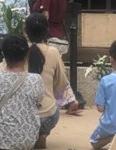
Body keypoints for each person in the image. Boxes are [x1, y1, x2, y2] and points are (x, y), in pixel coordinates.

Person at [0, 34, 44, 150]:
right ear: (27, 54)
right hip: (26, 141)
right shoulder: (36, 80)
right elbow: (38, 102)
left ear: (3, 54)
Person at [23, 13, 78, 149]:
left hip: (22, 117)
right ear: (47, 30)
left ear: (25, 31)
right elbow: (62, 83)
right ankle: (42, 133)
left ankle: (27, 135)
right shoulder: (53, 52)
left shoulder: (19, 51)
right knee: (50, 107)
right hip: (47, 116)